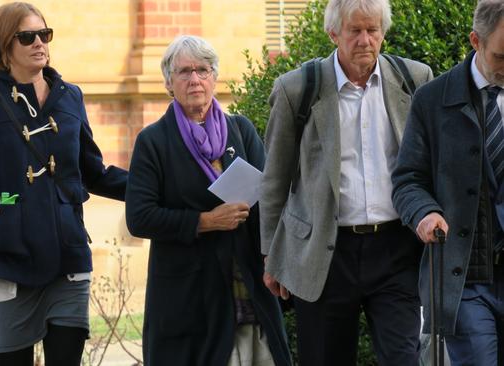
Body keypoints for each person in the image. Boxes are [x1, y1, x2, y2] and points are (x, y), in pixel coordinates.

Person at [0, 2, 127, 365]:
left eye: (44, 34)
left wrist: (156, 186)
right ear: (5, 45)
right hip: (3, 255)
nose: (39, 43)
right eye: (27, 37)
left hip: (66, 252)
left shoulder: (70, 97)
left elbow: (92, 171)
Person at [260, 0, 434, 364]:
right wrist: (271, 256)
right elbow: (275, 180)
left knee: (404, 357)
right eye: (355, 30)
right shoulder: (297, 90)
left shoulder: (415, 80)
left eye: (373, 30)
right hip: (326, 252)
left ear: (383, 32)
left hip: (396, 249)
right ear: (333, 33)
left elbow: (432, 164)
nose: (365, 40)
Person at [125, 35, 291, 366]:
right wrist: (205, 221)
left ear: (214, 77)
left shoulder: (240, 131)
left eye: (203, 70)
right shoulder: (154, 141)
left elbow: (269, 202)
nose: (195, 79)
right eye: (184, 72)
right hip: (189, 296)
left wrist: (276, 259)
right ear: (170, 83)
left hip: (247, 284)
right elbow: (140, 217)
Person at [392, 1, 504, 364]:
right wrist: (424, 212)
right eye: (501, 56)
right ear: (475, 40)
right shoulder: (431, 100)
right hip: (465, 277)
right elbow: (408, 178)